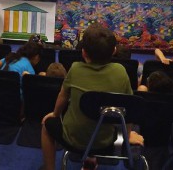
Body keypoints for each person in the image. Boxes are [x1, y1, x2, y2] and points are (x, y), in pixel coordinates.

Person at [41, 25, 144, 170]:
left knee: (46, 126)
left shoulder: (75, 69)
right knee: (98, 115)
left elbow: (62, 96)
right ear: (114, 51)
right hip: (105, 141)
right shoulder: (120, 72)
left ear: (83, 52)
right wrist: (127, 137)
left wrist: (55, 114)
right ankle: (90, 158)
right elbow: (128, 109)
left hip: (73, 139)